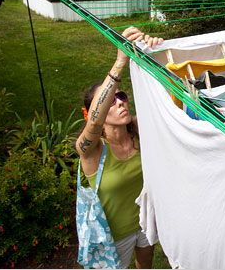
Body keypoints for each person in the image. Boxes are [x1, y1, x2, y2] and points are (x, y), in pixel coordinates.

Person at [76, 27, 163, 268]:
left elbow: (166, 104)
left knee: (145, 264)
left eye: (121, 97)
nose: (121, 102)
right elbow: (94, 120)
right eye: (111, 102)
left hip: (145, 223)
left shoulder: (138, 129)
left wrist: (154, 55)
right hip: (112, 236)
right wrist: (119, 61)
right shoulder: (91, 149)